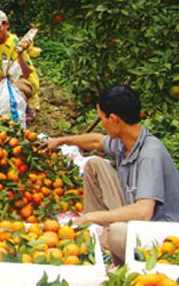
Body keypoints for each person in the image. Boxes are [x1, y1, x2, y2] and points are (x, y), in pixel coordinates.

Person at [45, 85, 179, 265]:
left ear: (114, 119)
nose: (102, 124)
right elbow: (96, 141)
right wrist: (61, 140)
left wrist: (92, 217)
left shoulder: (150, 154)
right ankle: (97, 234)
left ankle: (114, 249)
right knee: (94, 165)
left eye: (102, 118)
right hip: (133, 206)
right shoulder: (124, 141)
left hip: (160, 233)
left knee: (117, 233)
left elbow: (143, 212)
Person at [0, 10, 40, 121]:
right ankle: (0, 103)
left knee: (17, 88)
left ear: (6, 25)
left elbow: (26, 73)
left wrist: (20, 54)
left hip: (24, 82)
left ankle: (27, 106)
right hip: (8, 80)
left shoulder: (15, 43)